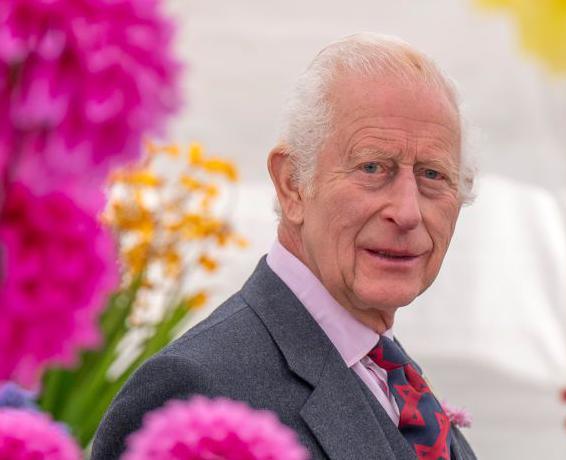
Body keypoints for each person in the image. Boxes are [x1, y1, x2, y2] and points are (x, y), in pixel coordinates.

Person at [91, 32, 477, 460]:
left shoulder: (386, 371)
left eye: (432, 175)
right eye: (372, 167)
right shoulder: (194, 393)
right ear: (292, 185)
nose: (407, 212)